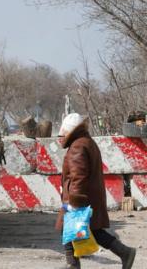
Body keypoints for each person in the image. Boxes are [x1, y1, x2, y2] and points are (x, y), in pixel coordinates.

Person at [56, 113, 136, 269]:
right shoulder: (87, 142)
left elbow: (78, 176)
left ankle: (73, 264)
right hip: (90, 198)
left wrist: (75, 201)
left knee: (67, 228)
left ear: (69, 132)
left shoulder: (77, 146)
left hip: (80, 199)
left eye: (62, 134)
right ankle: (125, 253)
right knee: (93, 231)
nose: (60, 137)